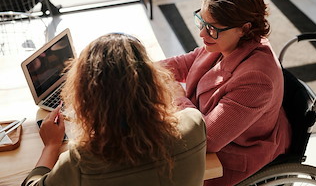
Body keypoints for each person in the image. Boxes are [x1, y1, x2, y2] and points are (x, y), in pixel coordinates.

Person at [22, 33, 207, 186]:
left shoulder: (81, 161)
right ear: (154, 82)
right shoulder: (194, 123)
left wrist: (51, 146)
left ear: (86, 97)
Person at [159, 0, 292, 185]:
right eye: (201, 22)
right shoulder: (224, 40)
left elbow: (208, 140)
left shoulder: (256, 79)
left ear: (245, 28)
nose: (202, 33)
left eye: (211, 28)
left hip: (232, 157)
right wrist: (136, 69)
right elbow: (185, 63)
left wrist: (175, 92)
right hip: (209, 130)